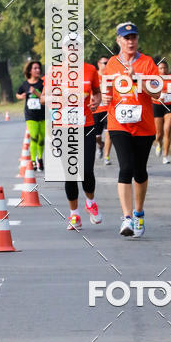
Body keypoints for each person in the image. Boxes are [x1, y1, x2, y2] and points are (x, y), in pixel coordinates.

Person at [101, 22, 159, 237]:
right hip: (119, 124)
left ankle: (139, 212)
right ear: (118, 41)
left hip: (144, 125)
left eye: (134, 37)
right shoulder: (112, 65)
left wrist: (137, 79)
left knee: (140, 171)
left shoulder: (147, 63)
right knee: (125, 168)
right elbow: (108, 92)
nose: (130, 41)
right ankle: (126, 218)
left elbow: (157, 93)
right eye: (126, 38)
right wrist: (106, 97)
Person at [43, 42, 103, 230]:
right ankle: (74, 215)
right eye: (69, 47)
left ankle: (90, 202)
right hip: (63, 127)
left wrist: (96, 102)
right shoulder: (55, 71)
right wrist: (56, 97)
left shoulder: (90, 70)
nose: (73, 50)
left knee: (86, 170)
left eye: (76, 46)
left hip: (86, 125)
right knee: (69, 174)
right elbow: (43, 97)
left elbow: (97, 92)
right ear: (64, 50)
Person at [16, 59, 45, 170]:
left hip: (42, 114)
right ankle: (33, 160)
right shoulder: (25, 84)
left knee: (41, 138)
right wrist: (21, 96)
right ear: (30, 71)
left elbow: (44, 97)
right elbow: (17, 94)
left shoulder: (43, 83)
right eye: (35, 68)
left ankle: (40, 158)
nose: (37, 70)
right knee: (34, 136)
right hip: (30, 115)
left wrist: (35, 92)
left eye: (38, 68)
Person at [153, 59, 171, 164]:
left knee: (168, 129)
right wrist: (157, 97)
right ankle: (159, 143)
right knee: (159, 134)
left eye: (165, 68)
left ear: (168, 69)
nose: (163, 70)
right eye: (160, 68)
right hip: (157, 106)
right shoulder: (154, 79)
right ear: (157, 69)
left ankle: (165, 155)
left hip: (169, 106)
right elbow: (149, 94)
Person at [94, 56, 110, 161]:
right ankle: (100, 145)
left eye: (108, 63)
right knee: (97, 136)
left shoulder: (111, 76)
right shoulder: (93, 75)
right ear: (98, 64)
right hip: (96, 110)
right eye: (105, 63)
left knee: (109, 133)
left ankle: (106, 156)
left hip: (108, 109)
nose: (107, 65)